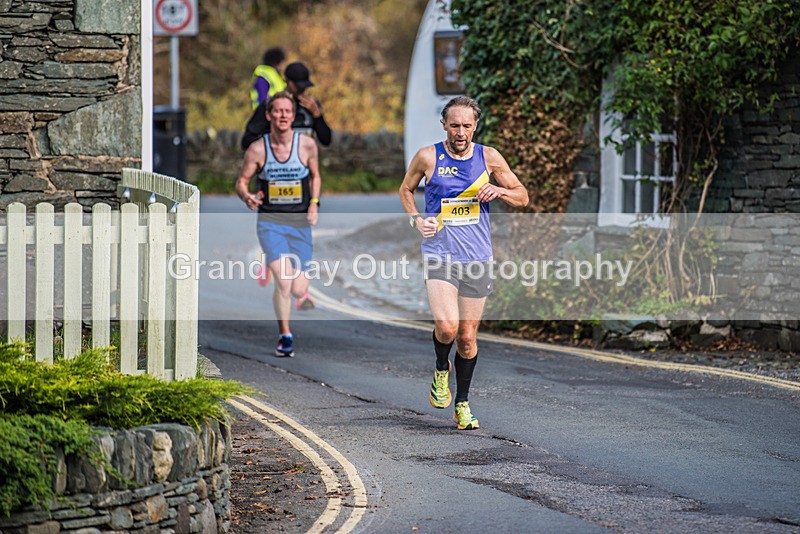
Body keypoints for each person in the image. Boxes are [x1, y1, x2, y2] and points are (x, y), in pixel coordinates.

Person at [398, 96, 529, 429]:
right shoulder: (428, 156)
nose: (460, 132)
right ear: (444, 124)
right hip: (439, 253)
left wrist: (498, 191)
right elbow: (405, 190)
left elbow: (522, 195)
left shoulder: (489, 156)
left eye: (466, 126)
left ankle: (463, 404)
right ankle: (442, 369)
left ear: (475, 125)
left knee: (468, 338)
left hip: (477, 257)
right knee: (447, 327)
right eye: (454, 125)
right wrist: (416, 220)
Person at [236, 91, 322, 357]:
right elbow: (241, 181)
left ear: (293, 116)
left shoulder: (307, 145)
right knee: (284, 284)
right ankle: (285, 335)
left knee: (299, 289)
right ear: (268, 115)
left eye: (287, 111)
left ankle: (276, 267)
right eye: (278, 111)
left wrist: (314, 203)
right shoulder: (258, 149)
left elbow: (315, 176)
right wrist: (246, 195)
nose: (283, 116)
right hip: (270, 223)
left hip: (299, 224)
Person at [241, 61, 332, 150]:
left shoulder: (311, 106)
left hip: (303, 162)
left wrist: (317, 115)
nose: (301, 90)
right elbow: (247, 141)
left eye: (304, 87)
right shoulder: (271, 105)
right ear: (287, 81)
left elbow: (326, 140)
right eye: (298, 86)